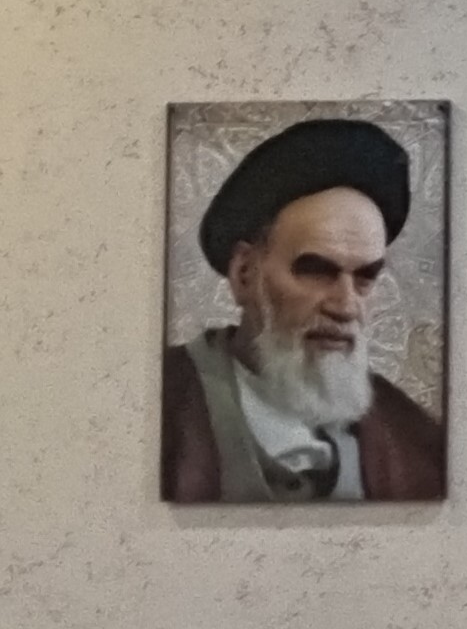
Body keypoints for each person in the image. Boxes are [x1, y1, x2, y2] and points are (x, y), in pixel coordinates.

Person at [162, 115, 449, 503]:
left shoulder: (412, 439)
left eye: (365, 277)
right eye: (316, 271)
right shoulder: (159, 403)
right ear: (245, 274)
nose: (346, 307)